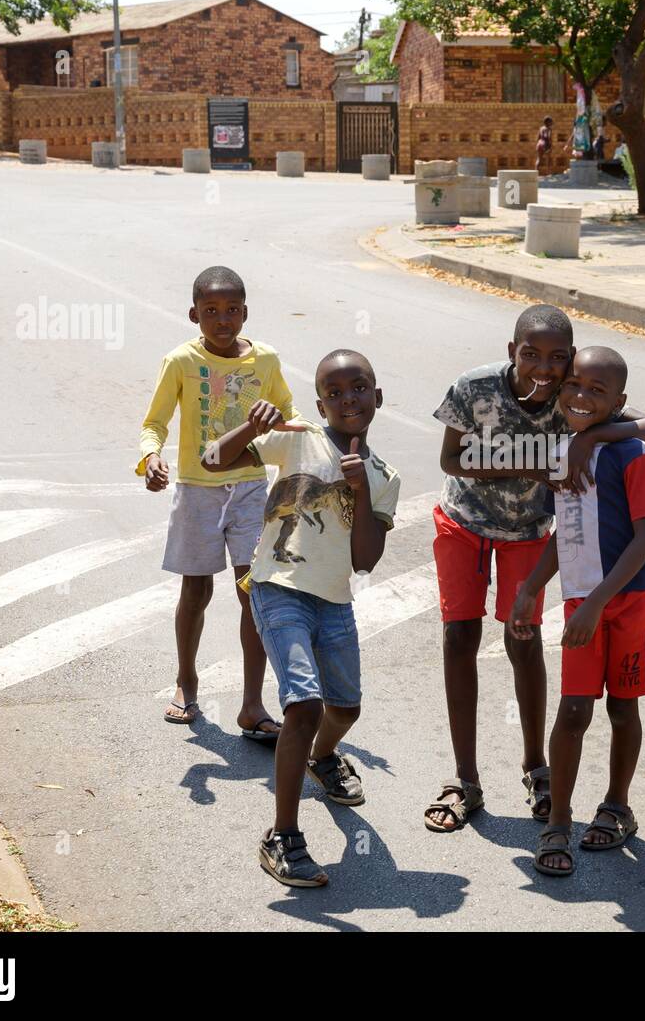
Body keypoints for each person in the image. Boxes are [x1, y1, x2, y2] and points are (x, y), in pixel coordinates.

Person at [423, 305, 645, 834]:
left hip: (532, 532)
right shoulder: (475, 388)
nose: (544, 367)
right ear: (511, 349)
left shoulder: (573, 397)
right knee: (459, 638)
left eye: (557, 358)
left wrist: (590, 439)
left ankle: (536, 766)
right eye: (530, 354)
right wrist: (534, 467)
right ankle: (465, 778)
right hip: (465, 521)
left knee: (524, 639)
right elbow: (451, 460)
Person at [201, 350, 401, 888]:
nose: (347, 400)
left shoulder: (383, 476)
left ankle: (323, 757)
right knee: (304, 702)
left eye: (358, 388)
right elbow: (215, 458)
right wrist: (250, 424)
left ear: (377, 397)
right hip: (277, 587)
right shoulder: (298, 437)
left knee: (346, 707)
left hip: (334, 600)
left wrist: (358, 492)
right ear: (320, 404)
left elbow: (365, 559)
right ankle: (282, 835)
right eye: (333, 393)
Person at [509, 347, 645, 877]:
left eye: (596, 391)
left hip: (633, 601)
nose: (580, 396)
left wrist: (598, 603)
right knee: (574, 711)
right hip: (583, 600)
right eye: (573, 385)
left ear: (619, 401)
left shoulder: (635, 455)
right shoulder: (567, 453)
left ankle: (617, 805)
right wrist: (531, 588)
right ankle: (558, 822)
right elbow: (567, 528)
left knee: (623, 710)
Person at [138, 265, 291, 740]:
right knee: (196, 590)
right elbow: (154, 423)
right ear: (194, 315)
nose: (222, 320)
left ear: (245, 312)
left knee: (253, 594)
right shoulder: (181, 361)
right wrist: (150, 459)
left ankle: (251, 703)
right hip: (197, 490)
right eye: (211, 312)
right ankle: (186, 679)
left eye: (231, 311)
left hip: (249, 487)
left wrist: (283, 418)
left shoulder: (265, 360)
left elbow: (288, 412)